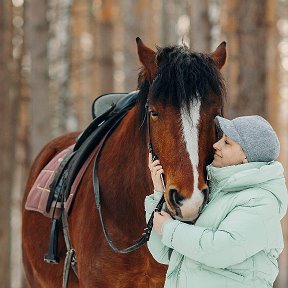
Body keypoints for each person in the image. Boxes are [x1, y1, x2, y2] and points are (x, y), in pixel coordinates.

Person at [145, 115, 288, 288]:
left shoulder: (261, 201)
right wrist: (159, 195)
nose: (216, 145)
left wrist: (169, 229)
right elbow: (163, 253)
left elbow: (221, 250)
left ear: (247, 158)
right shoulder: (214, 193)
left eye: (227, 142)